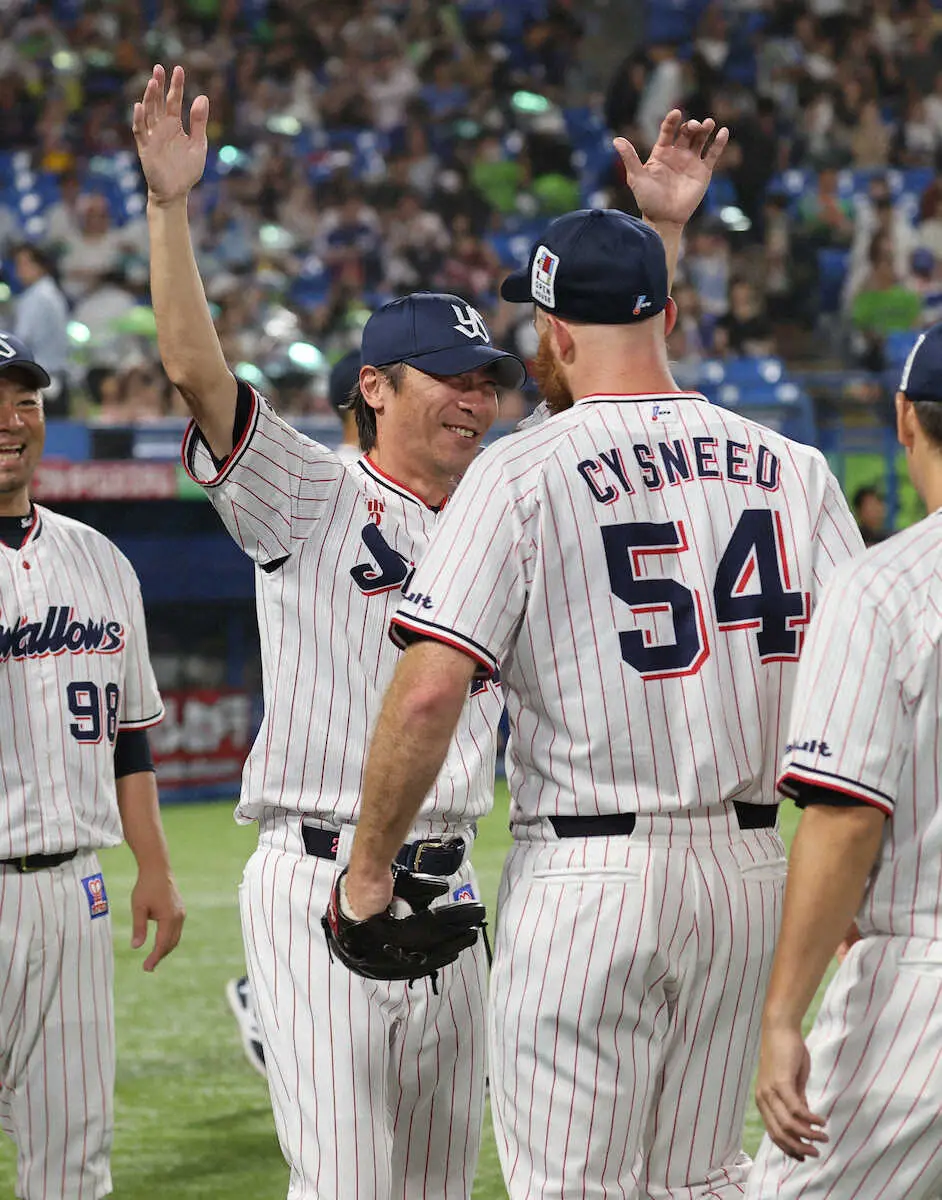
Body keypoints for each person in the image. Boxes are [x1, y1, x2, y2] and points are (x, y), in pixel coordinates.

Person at [133, 64, 728, 1200]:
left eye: (489, 377)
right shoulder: (309, 493)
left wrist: (659, 235)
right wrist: (170, 205)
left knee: (441, 1187)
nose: (477, 397)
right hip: (323, 873)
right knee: (349, 1184)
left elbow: (614, 386)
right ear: (374, 387)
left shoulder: (508, 499)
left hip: (453, 890)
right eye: (449, 378)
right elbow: (195, 371)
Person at [342, 210, 864, 1196]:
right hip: (751, 873)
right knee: (702, 1178)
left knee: (571, 1185)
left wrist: (368, 874)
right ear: (669, 315)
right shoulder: (794, 468)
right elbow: (862, 684)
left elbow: (428, 694)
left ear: (555, 330)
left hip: (590, 876)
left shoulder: (519, 470)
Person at [747, 323, 942, 1198]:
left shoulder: (885, 587)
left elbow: (846, 815)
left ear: (904, 419)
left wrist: (783, 1015)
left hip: (920, 992)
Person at [0, 332, 185, 1200]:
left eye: (26, 402)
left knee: (73, 1159)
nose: (11, 421)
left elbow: (130, 737)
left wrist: (155, 867)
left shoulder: (101, 559)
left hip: (75, 889)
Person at [223, 347, 362, 1081]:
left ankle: (259, 990)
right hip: (321, 842)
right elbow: (201, 381)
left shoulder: (455, 493)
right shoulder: (316, 484)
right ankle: (261, 990)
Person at [12, 243, 71, 417]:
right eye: (17, 264)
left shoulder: (36, 297)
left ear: (41, 266)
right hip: (55, 379)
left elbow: (19, 342)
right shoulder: (53, 293)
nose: (19, 270)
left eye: (24, 264)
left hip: (39, 383)